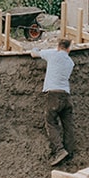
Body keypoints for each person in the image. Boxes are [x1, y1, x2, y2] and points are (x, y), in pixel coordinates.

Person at [32, 38, 74, 166]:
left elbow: (34, 53)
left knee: (50, 122)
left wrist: (36, 49)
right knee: (68, 125)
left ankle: (59, 151)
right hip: (66, 96)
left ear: (58, 46)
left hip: (54, 95)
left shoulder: (52, 54)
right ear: (69, 48)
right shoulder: (71, 62)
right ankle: (70, 152)